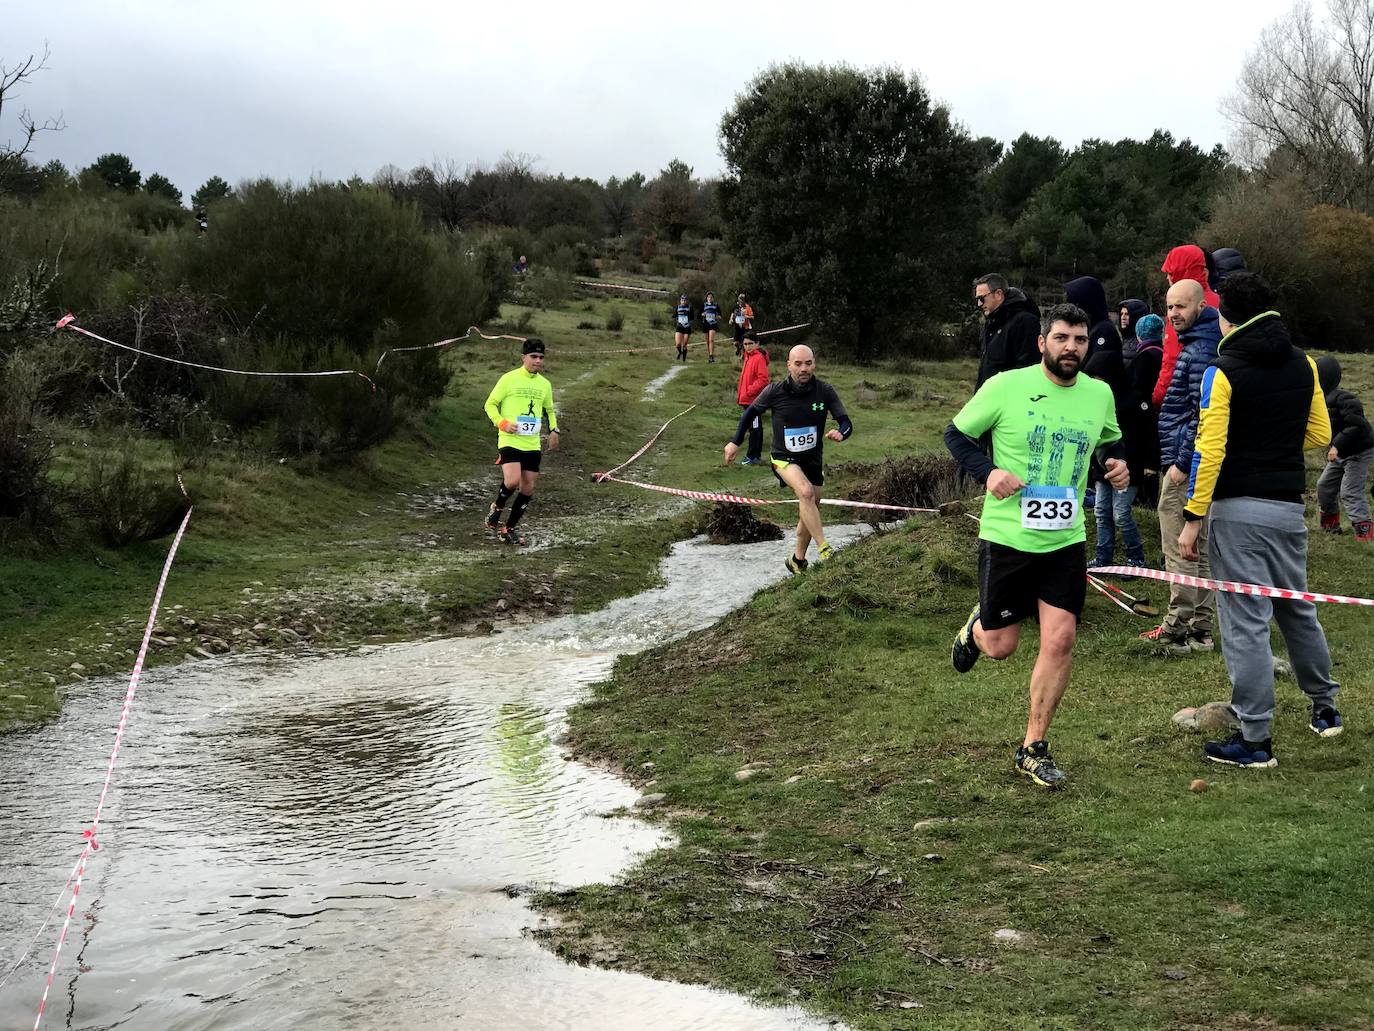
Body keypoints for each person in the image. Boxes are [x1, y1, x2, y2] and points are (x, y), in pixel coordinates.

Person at [945, 303, 1128, 788]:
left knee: (1060, 639)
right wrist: (990, 473)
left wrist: (1115, 463)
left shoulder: (1099, 394)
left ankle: (1033, 747)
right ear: (1042, 342)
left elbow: (1109, 441)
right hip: (1007, 536)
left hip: (1065, 538)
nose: (1072, 348)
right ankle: (975, 629)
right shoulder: (1006, 386)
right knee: (1002, 646)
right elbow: (956, 435)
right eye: (1063, 338)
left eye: (1081, 340)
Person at [1179, 272, 1341, 768]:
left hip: (1237, 508)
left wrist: (1192, 516)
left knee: (1245, 621)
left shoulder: (1221, 369)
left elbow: (1211, 449)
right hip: (1288, 508)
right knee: (1296, 607)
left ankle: (1255, 740)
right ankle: (1326, 709)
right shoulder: (1306, 365)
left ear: (1227, 316)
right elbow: (1319, 433)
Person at [1143, 280, 1221, 653]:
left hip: (1185, 462)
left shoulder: (1200, 351)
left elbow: (1201, 413)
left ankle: (1177, 627)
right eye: (1170, 307)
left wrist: (1180, 461)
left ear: (1202, 305)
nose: (1174, 314)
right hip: (1195, 462)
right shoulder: (1201, 344)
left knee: (1180, 543)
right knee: (1200, 547)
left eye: (1182, 306)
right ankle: (1201, 630)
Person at [724, 344, 851, 574]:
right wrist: (735, 442)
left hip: (813, 459)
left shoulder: (824, 391)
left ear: (814, 364)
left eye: (808, 363)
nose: (804, 368)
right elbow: (750, 413)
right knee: (805, 493)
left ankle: (797, 560)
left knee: (811, 504)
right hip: (783, 457)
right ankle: (825, 549)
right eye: (799, 364)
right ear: (789, 365)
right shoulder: (775, 391)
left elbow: (846, 421)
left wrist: (841, 432)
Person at [1083, 305, 1146, 568]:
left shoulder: (1131, 402)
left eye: (1100, 378)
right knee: (1100, 512)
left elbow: (1142, 436)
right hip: (1101, 471)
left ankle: (1136, 557)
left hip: (1127, 468)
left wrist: (1144, 465)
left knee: (1121, 514)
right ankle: (1104, 557)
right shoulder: (1093, 404)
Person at [482, 338, 559, 546]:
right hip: (510, 439)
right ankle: (497, 507)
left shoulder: (545, 384)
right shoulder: (508, 379)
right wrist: (502, 423)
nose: (538, 361)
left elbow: (549, 410)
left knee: (528, 488)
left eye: (541, 357)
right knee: (512, 481)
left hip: (531, 443)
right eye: (534, 357)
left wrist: (554, 430)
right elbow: (490, 404)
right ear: (523, 357)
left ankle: (509, 529)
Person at [1151, 245, 1220, 408]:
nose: (1167, 278)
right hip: (1218, 394)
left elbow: (1172, 361)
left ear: (1181, 272)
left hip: (1185, 398)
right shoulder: (1221, 303)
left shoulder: (1179, 310)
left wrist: (1158, 397)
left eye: (1171, 273)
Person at [1315, 356, 1374, 540]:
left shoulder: (1345, 398)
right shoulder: (1319, 400)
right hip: (1340, 453)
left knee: (1350, 491)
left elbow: (1358, 426)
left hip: (1358, 452)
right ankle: (1331, 526)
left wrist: (1337, 446)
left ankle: (1364, 534)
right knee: (1324, 486)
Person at [973, 273, 1041, 389]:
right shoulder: (991, 322)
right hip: (988, 397)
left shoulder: (1025, 322)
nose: (979, 304)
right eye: (977, 300)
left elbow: (1028, 369)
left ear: (998, 294)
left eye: (982, 299)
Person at [1127, 313, 1165, 508]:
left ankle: (1146, 499)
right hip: (1159, 412)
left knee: (1146, 462)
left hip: (1144, 414)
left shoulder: (1145, 357)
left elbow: (1138, 389)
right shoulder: (1163, 353)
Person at [735, 329, 770, 464]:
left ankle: (753, 456)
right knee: (753, 427)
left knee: (755, 429)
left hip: (754, 402)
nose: (747, 347)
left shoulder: (758, 358)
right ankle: (754, 456)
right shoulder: (748, 357)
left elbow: (763, 379)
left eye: (750, 344)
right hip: (747, 400)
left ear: (757, 344)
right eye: (745, 344)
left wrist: (749, 392)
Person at [1118, 298, 1150, 366]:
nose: (1123, 317)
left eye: (1127, 314)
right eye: (1121, 314)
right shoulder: (1120, 340)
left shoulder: (1142, 343)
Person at [701, 291, 722, 364]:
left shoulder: (716, 305)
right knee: (707, 341)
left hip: (713, 324)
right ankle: (710, 354)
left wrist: (717, 316)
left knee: (711, 340)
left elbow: (720, 315)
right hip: (705, 324)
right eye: (708, 297)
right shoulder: (704, 305)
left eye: (711, 297)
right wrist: (703, 314)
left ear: (713, 298)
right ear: (706, 298)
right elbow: (699, 314)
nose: (710, 298)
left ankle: (711, 355)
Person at [673, 294, 694, 361]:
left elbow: (692, 317)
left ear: (687, 301)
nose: (683, 301)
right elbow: (674, 315)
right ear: (680, 301)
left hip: (687, 327)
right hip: (679, 327)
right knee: (678, 344)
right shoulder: (678, 307)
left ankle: (684, 360)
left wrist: (689, 323)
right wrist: (676, 319)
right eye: (682, 300)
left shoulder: (690, 307)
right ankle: (680, 352)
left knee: (684, 344)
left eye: (685, 300)